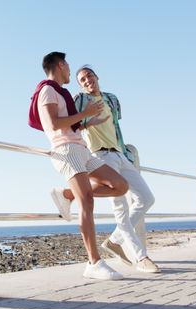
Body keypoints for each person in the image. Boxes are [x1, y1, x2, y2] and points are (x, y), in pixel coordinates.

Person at [28, 51, 129, 280]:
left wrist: (86, 123)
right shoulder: (47, 90)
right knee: (87, 201)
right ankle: (94, 263)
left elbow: (67, 125)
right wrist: (85, 113)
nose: (70, 72)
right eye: (68, 67)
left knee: (120, 185)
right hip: (66, 151)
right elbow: (53, 124)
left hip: (81, 148)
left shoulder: (59, 93)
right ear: (61, 65)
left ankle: (66, 194)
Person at [73, 65, 160, 273]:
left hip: (120, 154)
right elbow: (71, 125)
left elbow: (114, 126)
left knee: (146, 198)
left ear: (96, 76)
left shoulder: (112, 99)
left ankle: (114, 240)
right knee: (121, 209)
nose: (87, 81)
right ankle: (141, 257)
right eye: (82, 79)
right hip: (101, 156)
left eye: (89, 76)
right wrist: (88, 122)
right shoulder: (80, 100)